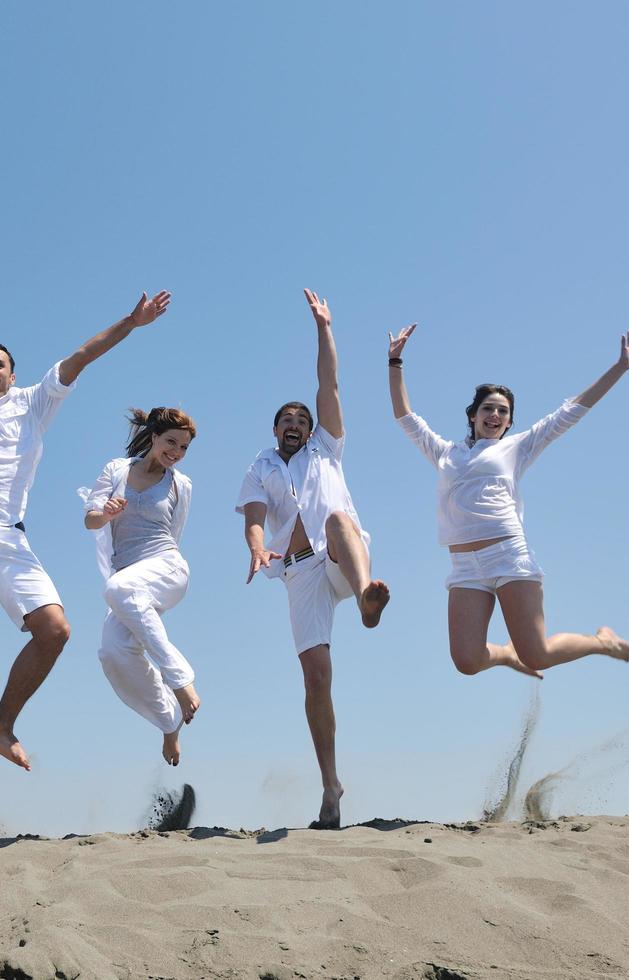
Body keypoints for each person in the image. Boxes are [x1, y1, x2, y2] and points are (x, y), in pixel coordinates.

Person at [0, 264, 172, 771]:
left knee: (55, 630)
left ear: (13, 373)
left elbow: (82, 357)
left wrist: (130, 324)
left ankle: (0, 728)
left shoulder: (34, 403)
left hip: (10, 538)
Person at [388, 324, 629, 678]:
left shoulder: (516, 447)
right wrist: (395, 362)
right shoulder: (446, 453)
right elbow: (405, 417)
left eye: (503, 412)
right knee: (466, 661)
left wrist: (619, 367)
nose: (495, 416)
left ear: (509, 422)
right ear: (473, 415)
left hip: (508, 555)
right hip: (464, 565)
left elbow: (570, 411)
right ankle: (507, 656)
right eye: (489, 409)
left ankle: (602, 642)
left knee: (537, 654)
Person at [237, 288, 390, 831]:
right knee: (316, 680)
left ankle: (368, 597)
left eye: (303, 417)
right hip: (300, 573)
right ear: (275, 428)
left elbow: (329, 381)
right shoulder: (260, 466)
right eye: (287, 419)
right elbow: (253, 514)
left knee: (338, 520)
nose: (297, 423)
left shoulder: (328, 446)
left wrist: (324, 327)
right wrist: (258, 548)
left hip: (340, 558)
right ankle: (331, 786)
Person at [81, 407, 198, 766]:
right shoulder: (116, 470)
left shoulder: (181, 484)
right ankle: (169, 722)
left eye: (183, 447)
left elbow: (174, 536)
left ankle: (179, 680)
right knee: (113, 651)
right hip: (127, 579)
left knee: (118, 590)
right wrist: (108, 514)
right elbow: (90, 519)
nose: (176, 452)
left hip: (165, 568)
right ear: (153, 437)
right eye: (171, 442)